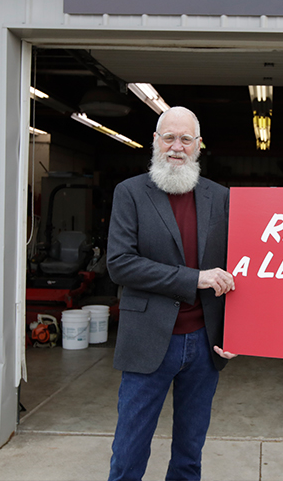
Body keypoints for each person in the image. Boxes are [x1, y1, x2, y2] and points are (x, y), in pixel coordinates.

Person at [106, 106, 237, 481]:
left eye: (185, 139)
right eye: (169, 138)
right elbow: (120, 264)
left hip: (204, 343)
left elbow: (240, 268)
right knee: (129, 451)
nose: (176, 147)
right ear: (155, 142)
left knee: (189, 453)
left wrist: (239, 330)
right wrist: (193, 278)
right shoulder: (129, 192)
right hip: (148, 341)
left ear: (198, 146)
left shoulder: (220, 197)